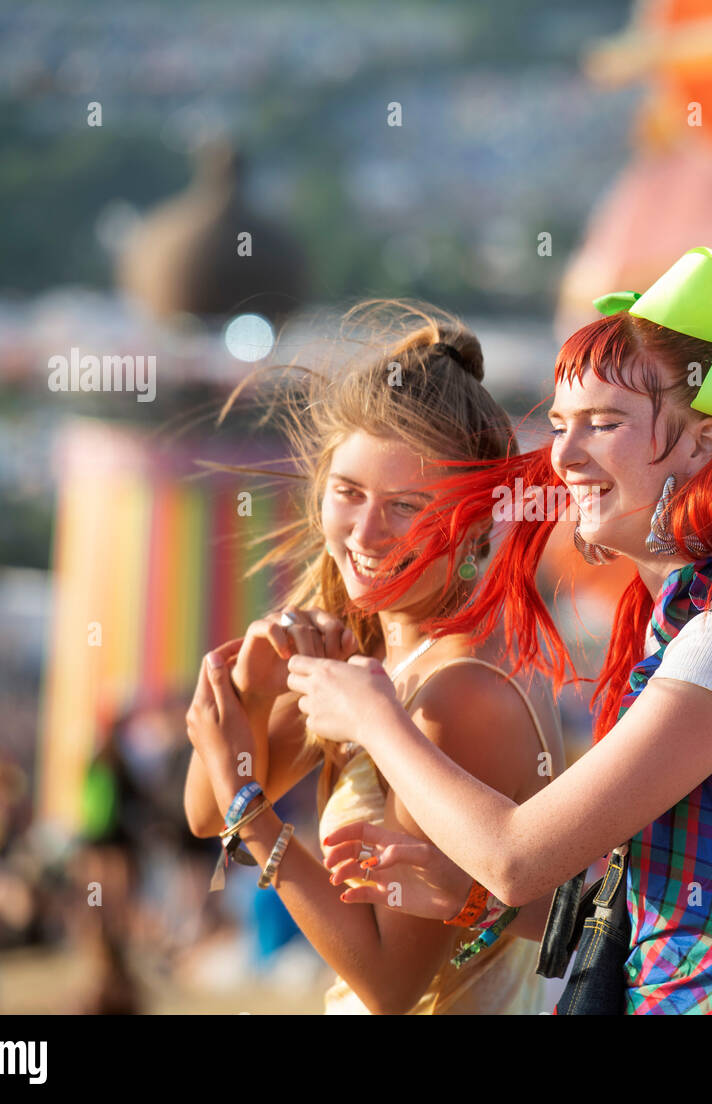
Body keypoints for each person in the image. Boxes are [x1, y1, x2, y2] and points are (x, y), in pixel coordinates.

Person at [286, 248, 712, 1013]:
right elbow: (637, 912)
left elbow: (513, 857)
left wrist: (374, 715)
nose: (565, 457)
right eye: (562, 424)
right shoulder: (690, 629)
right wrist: (473, 904)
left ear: (704, 442)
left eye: (604, 424)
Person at [183, 303, 565, 1014]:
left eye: (406, 508)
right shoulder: (372, 657)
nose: (365, 531)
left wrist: (252, 811)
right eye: (349, 494)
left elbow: (394, 983)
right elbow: (204, 815)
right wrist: (255, 696)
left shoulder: (458, 695)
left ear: (474, 524)